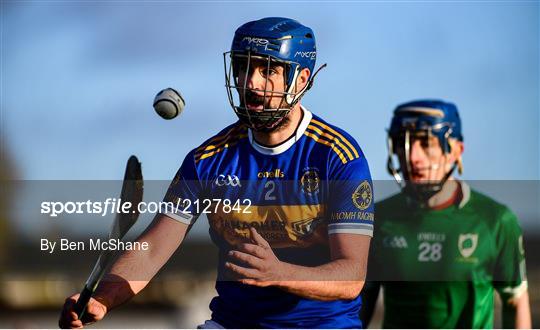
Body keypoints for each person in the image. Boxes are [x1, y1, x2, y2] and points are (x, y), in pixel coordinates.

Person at [59, 17, 374, 328]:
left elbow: (351, 276)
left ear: (301, 79)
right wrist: (105, 297)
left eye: (268, 70)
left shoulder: (338, 157)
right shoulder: (207, 160)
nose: (251, 82)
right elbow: (153, 248)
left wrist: (278, 273)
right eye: (244, 67)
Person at [360, 99, 531, 328]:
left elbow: (515, 301)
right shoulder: (377, 218)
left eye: (425, 143)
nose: (413, 157)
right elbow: (357, 311)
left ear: (456, 151)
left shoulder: (495, 220)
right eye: (403, 143)